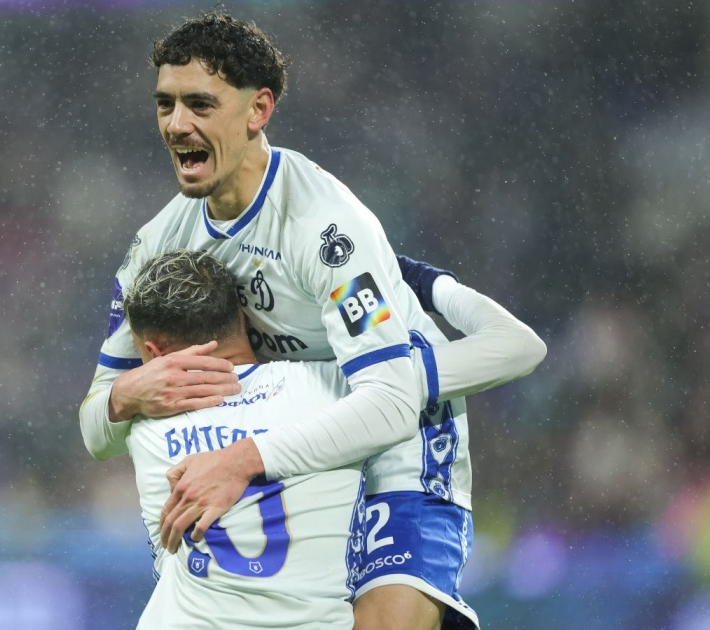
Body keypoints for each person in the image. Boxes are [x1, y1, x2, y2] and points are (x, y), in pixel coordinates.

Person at [79, 10, 547, 630]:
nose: (177, 123)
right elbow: (96, 431)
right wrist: (124, 397)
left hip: (396, 439)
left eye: (200, 104)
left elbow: (391, 407)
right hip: (295, 432)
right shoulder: (157, 244)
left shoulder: (323, 227)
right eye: (165, 104)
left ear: (258, 109)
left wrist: (243, 459)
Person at [123, 249, 364, 629]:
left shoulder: (144, 430)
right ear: (245, 317)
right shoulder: (338, 387)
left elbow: (95, 433)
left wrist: (121, 393)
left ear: (153, 353)